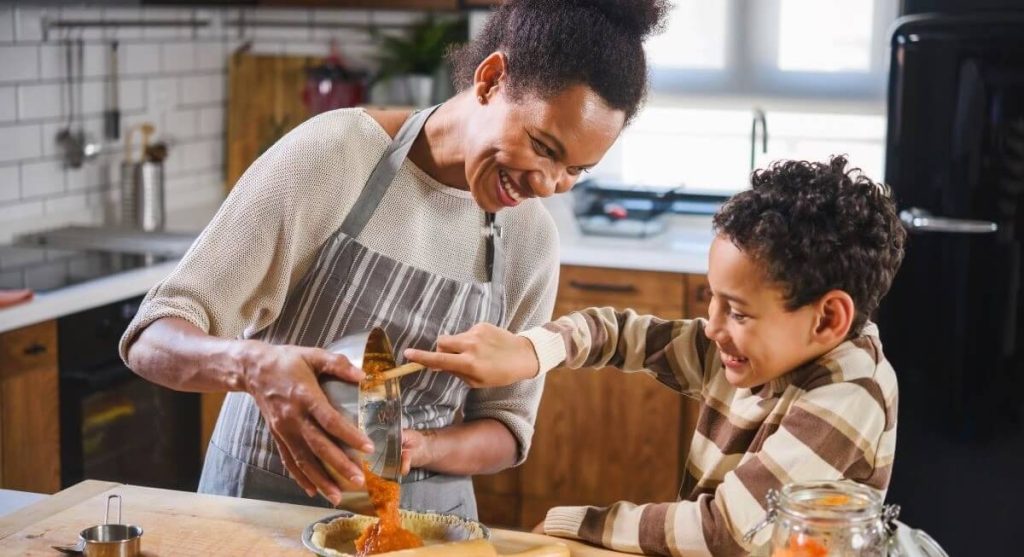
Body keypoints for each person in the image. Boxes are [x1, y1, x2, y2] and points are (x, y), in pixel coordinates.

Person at [118, 0, 669, 519]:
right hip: (263, 508)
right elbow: (152, 338)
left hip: (425, 523)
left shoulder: (531, 239)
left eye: (575, 170)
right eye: (544, 148)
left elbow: (507, 427)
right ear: (490, 79)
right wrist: (253, 366)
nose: (549, 185)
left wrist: (422, 448)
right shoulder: (337, 154)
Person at [405, 156, 907, 554]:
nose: (712, 326)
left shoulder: (849, 392)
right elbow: (620, 333)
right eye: (713, 299)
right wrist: (531, 352)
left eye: (737, 312)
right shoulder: (758, 350)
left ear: (827, 319)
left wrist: (579, 523)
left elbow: (724, 531)